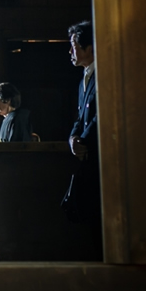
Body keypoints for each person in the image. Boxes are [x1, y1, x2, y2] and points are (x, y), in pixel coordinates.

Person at [61, 20, 100, 248]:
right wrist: (73, 138)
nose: (70, 51)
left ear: (90, 48)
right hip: (86, 155)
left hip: (99, 155)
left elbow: (101, 114)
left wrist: (83, 140)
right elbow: (79, 118)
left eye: (74, 45)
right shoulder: (83, 80)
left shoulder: (103, 75)